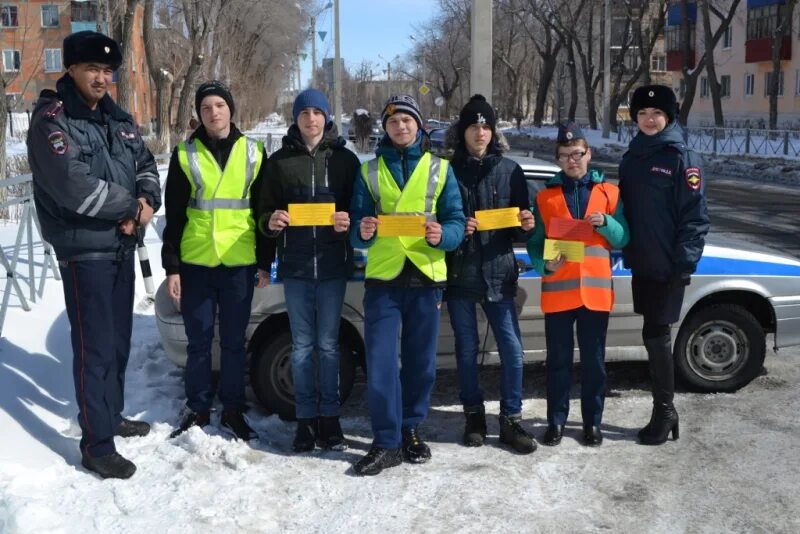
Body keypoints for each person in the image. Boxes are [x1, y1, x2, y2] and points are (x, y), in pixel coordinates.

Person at [27, 31, 161, 479]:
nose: (102, 78)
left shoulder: (117, 117)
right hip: (85, 251)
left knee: (119, 341)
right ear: (71, 69)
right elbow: (72, 185)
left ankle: (112, 415)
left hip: (121, 246)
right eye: (93, 70)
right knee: (95, 347)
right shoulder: (52, 120)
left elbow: (146, 164)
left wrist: (146, 204)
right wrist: (128, 208)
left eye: (108, 71)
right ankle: (96, 443)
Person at [349, 95, 465, 476]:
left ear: (419, 126)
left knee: (421, 365)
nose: (400, 127)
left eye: (407, 121)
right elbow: (357, 228)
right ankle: (386, 442)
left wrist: (441, 235)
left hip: (426, 278)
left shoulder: (440, 169)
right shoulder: (368, 171)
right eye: (393, 121)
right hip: (383, 280)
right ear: (385, 128)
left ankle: (411, 428)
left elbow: (456, 223)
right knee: (381, 363)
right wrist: (362, 231)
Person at [162, 81, 271, 441]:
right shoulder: (185, 154)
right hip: (197, 263)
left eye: (219, 106)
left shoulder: (254, 153)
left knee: (234, 341)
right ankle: (198, 408)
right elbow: (175, 216)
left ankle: (234, 410)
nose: (213, 112)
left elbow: (263, 212)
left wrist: (264, 262)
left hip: (239, 263)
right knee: (198, 340)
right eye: (206, 107)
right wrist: (172, 267)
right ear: (199, 114)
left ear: (230, 110)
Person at [256, 88, 359, 452]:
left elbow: (360, 210)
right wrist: (273, 222)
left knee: (329, 346)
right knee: (301, 347)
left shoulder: (346, 161)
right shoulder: (280, 162)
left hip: (333, 268)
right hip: (296, 269)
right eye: (304, 113)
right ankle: (304, 421)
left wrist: (350, 220)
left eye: (317, 112)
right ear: (296, 119)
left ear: (327, 117)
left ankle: (330, 420)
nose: (311, 119)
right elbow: (263, 212)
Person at [444, 95, 537, 454]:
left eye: (485, 126)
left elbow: (522, 227)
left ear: (493, 131)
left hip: (500, 273)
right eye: (473, 126)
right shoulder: (449, 170)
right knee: (466, 351)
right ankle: (474, 417)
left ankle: (511, 420)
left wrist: (527, 225)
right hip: (461, 275)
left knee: (512, 351)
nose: (480, 132)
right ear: (462, 131)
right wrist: (456, 228)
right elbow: (438, 221)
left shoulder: (511, 170)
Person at [527, 123, 629, 447]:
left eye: (577, 154)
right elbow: (535, 242)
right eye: (565, 155)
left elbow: (624, 237)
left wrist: (608, 223)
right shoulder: (545, 197)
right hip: (559, 293)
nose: (572, 161)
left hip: (596, 295)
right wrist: (545, 263)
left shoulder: (610, 194)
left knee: (594, 364)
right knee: (557, 362)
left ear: (589, 154)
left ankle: (591, 423)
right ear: (558, 159)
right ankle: (556, 421)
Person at [619, 85, 709, 445]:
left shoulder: (681, 156)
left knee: (657, 338)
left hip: (669, 265)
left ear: (669, 117)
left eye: (656, 114)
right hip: (642, 262)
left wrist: (684, 263)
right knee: (651, 335)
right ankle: (664, 409)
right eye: (642, 114)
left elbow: (695, 216)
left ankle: (665, 412)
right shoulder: (633, 155)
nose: (649, 119)